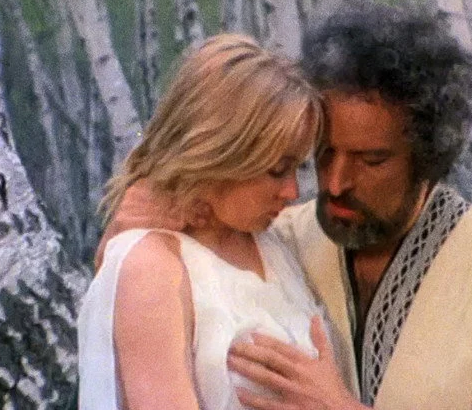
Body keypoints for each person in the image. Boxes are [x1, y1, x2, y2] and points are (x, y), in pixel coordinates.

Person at [100, 4, 472, 409]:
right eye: (322, 154)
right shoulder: (277, 236)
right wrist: (145, 212)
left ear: (428, 158)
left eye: (371, 160)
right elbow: (131, 271)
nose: (334, 184)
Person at [77, 34, 357, 409]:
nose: (292, 191)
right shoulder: (152, 265)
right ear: (217, 153)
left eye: (298, 167)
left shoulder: (269, 242)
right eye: (276, 170)